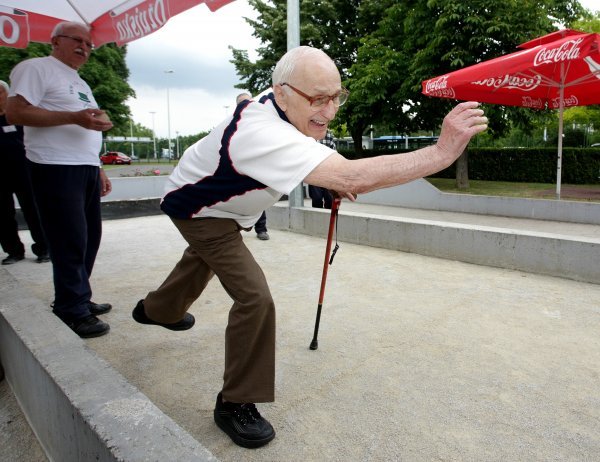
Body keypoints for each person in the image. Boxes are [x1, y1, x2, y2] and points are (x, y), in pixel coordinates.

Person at [132, 46, 487, 448]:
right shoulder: (261, 131)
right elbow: (351, 175)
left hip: (224, 204)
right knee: (254, 297)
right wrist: (439, 153)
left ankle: (157, 309)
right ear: (281, 93)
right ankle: (235, 403)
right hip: (201, 211)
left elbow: (315, 158)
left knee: (202, 261)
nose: (330, 110)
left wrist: (326, 176)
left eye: (336, 96)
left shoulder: (280, 106)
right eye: (318, 99)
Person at [6, 21, 114, 339]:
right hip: (54, 166)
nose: (84, 47)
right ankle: (71, 310)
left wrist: (98, 166)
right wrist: (74, 117)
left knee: (89, 238)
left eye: (89, 43)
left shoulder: (78, 80)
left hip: (84, 167)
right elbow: (15, 112)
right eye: (77, 40)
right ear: (55, 41)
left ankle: (79, 296)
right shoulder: (36, 68)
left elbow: (85, 125)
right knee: (69, 239)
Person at [0, 80, 49, 265]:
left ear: (8, 94)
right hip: (1, 175)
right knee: (3, 215)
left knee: (34, 211)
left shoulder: (20, 117)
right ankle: (13, 251)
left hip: (25, 171)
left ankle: (44, 248)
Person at [236, 91, 270, 240]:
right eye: (243, 103)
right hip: (238, 169)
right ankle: (234, 229)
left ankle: (261, 229)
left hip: (257, 169)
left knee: (258, 198)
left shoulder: (261, 121)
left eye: (249, 102)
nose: (246, 105)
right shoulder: (233, 123)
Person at [308, 130, 335, 209]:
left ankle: (329, 219)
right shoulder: (308, 134)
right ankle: (316, 220)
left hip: (327, 173)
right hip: (313, 173)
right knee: (317, 199)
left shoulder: (328, 135)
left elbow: (334, 152)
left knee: (330, 199)